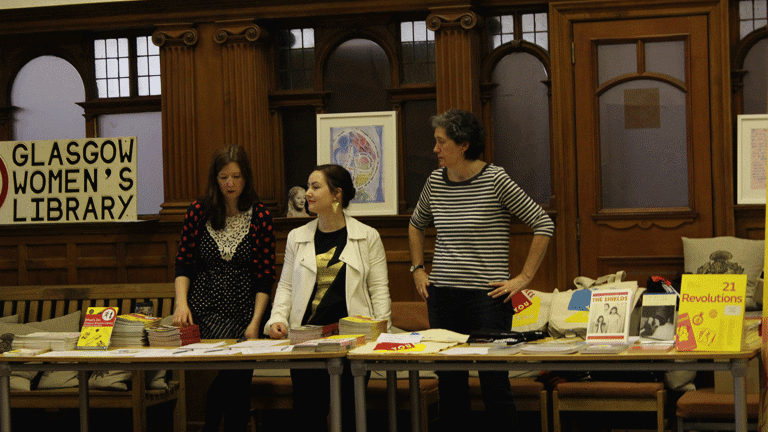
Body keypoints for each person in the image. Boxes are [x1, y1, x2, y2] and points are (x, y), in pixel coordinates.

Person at [409, 109, 554, 430]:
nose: (435, 149)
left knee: (494, 384)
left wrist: (524, 277)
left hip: (487, 298)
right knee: (450, 385)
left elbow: (543, 223)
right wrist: (417, 268)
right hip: (442, 296)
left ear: (463, 145)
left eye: (441, 142)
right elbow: (416, 224)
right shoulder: (435, 181)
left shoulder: (495, 179)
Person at [265, 164, 391, 432]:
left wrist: (380, 334)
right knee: (308, 417)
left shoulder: (367, 236)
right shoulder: (297, 237)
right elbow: (285, 286)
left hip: (353, 343)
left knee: (350, 417)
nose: (308, 193)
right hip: (305, 342)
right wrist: (277, 319)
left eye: (315, 186)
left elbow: (379, 291)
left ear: (337, 194)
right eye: (308, 186)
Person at [173, 144, 276, 432]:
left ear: (247, 178)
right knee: (238, 373)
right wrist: (182, 304)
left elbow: (265, 275)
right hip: (207, 308)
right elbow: (183, 263)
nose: (230, 184)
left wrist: (256, 322)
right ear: (214, 179)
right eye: (223, 177)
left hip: (247, 308)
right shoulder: (199, 211)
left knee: (239, 376)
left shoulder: (261, 217)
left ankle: (213, 427)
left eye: (237, 176)